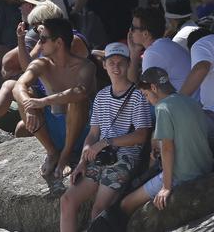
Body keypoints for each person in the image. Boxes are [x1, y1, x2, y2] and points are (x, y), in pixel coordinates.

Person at [59, 42, 151, 232]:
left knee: (98, 211)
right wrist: (83, 160)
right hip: (101, 156)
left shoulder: (138, 96)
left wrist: (107, 142)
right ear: (104, 65)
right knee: (67, 200)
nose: (116, 67)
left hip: (125, 157)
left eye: (120, 62)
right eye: (111, 62)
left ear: (128, 64)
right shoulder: (101, 96)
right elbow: (93, 134)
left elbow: (142, 135)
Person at [0, 1, 88, 136]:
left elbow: (59, 67)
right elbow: (28, 68)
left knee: (21, 128)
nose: (36, 31)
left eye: (36, 27)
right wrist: (21, 39)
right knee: (10, 85)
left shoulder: (73, 39)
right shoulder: (43, 41)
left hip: (65, 101)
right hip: (45, 96)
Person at [120, 67, 213, 214]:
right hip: (205, 167)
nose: (147, 100)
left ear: (153, 88)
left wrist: (166, 187)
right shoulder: (192, 102)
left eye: (145, 95)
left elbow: (168, 148)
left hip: (183, 174)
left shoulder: (163, 107)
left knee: (125, 204)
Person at [13, 18, 96, 178]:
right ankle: (52, 152)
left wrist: (43, 101)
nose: (39, 43)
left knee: (77, 99)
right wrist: (28, 106)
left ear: (58, 43)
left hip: (81, 132)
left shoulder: (86, 66)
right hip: (54, 129)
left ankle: (65, 155)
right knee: (25, 95)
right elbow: (18, 86)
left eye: (43, 39)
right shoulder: (42, 64)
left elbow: (80, 92)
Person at [127, 7, 192, 91]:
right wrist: (134, 53)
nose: (130, 31)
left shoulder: (153, 53)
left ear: (145, 34)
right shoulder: (165, 45)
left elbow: (135, 90)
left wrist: (133, 55)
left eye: (133, 27)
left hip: (186, 102)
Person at [1, 0, 52, 78]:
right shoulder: (40, 27)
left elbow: (8, 63)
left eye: (21, 4)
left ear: (30, 6)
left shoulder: (42, 30)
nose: (20, 8)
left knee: (9, 84)